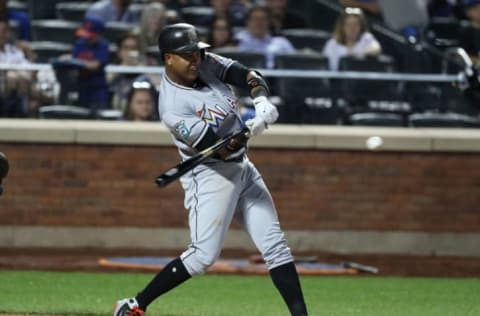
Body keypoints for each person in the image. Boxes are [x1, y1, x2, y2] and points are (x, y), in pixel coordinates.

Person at [113, 23, 308, 316]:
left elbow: (247, 75)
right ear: (168, 58)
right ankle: (134, 305)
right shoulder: (172, 107)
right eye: (187, 55)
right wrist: (251, 130)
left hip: (242, 168)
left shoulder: (205, 64)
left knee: (275, 246)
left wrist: (261, 99)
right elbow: (218, 147)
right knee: (202, 257)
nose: (195, 59)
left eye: (197, 53)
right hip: (211, 175)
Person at [70, 17, 110, 110]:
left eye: (90, 36)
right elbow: (73, 59)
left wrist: (78, 63)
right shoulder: (79, 44)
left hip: (97, 88)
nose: (86, 38)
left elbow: (95, 65)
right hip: (81, 86)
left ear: (99, 35)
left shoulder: (103, 46)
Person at [0, 19, 31, 117]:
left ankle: (21, 113)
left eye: (4, 31)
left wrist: (30, 55)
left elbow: (27, 68)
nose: (1, 34)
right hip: (3, 84)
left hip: (19, 85)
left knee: (23, 76)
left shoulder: (14, 50)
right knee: (11, 76)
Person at [459, 0, 480, 67]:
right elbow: (461, 56)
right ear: (467, 12)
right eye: (475, 8)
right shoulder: (466, 32)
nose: (478, 11)